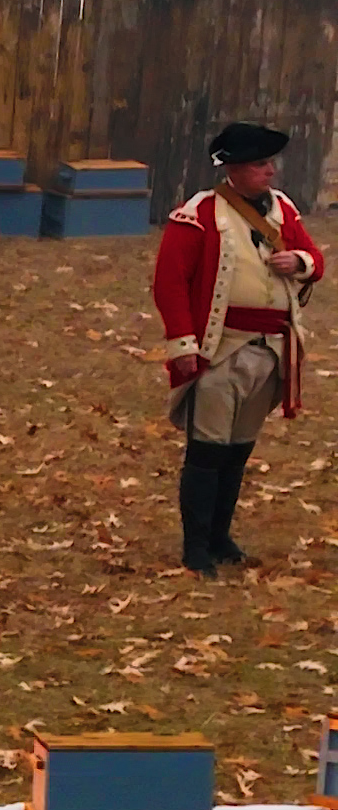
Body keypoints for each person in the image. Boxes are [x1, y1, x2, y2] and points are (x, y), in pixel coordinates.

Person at [155, 120, 322, 576]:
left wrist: (300, 262)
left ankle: (219, 537)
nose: (270, 171)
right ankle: (196, 549)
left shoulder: (282, 209)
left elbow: (315, 260)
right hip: (219, 347)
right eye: (260, 164)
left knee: (237, 451)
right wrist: (183, 344)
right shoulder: (199, 213)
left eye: (269, 163)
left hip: (269, 350)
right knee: (207, 452)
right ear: (236, 170)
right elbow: (170, 283)